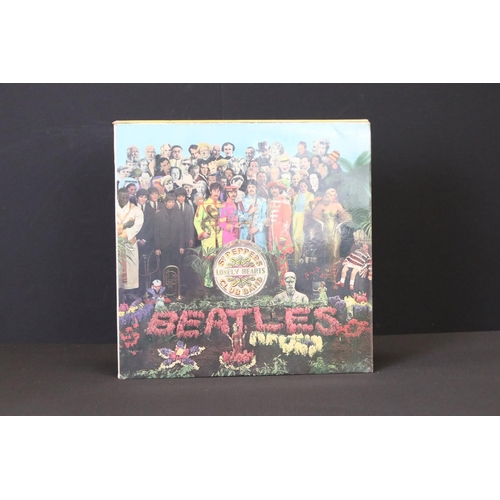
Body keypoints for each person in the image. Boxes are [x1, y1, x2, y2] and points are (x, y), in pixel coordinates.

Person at [311, 188, 350, 267]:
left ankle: (335, 269)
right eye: (331, 195)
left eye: (334, 195)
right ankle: (330, 269)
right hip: (326, 230)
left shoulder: (338, 205)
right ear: (327, 196)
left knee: (336, 249)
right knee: (329, 250)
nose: (333, 197)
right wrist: (322, 223)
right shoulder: (322, 205)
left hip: (335, 229)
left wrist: (340, 225)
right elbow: (314, 215)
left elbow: (346, 217)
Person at [193, 183, 223, 286]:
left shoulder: (222, 205)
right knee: (208, 260)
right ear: (210, 191)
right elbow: (197, 221)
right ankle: (208, 285)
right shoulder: (203, 204)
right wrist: (202, 233)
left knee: (220, 259)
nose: (216, 193)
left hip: (220, 236)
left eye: (218, 191)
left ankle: (220, 283)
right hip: (208, 236)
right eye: (214, 190)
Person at [117, 188, 144, 298]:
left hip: (129, 243)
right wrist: (124, 226)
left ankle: (130, 293)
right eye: (122, 197)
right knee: (118, 270)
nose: (124, 199)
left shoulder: (136, 210)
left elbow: (137, 226)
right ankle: (119, 293)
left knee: (131, 269)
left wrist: (123, 235)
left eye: (126, 197)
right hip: (117, 245)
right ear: (118, 196)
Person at [265, 180, 293, 284]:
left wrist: (283, 236)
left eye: (276, 188)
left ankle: (284, 282)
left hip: (281, 233)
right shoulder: (270, 201)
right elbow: (269, 217)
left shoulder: (284, 201)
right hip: (272, 234)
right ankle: (277, 282)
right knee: (274, 258)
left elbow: (287, 220)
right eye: (272, 188)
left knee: (282, 258)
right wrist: (267, 221)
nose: (274, 190)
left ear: (280, 189)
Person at [153, 193, 187, 274]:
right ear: (165, 202)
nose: (171, 204)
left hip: (176, 245)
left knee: (177, 267)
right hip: (164, 246)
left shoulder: (179, 213)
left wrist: (181, 246)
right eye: (169, 202)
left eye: (173, 202)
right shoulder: (159, 214)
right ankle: (165, 282)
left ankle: (176, 282)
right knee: (164, 267)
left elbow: (182, 231)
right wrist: (157, 247)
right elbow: (156, 232)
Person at [292, 179, 315, 266]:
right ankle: (295, 261)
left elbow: (311, 208)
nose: (303, 188)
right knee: (295, 238)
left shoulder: (310, 195)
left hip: (304, 218)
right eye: (301, 186)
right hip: (296, 218)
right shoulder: (297, 196)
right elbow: (294, 207)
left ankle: (301, 262)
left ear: (308, 186)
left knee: (301, 239)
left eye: (305, 186)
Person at [239, 180, 267, 249]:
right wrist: (249, 213)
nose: (251, 189)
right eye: (249, 187)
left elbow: (264, 216)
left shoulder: (262, 200)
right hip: (246, 231)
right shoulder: (242, 201)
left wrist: (257, 228)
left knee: (260, 251)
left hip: (259, 232)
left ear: (256, 188)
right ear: (247, 188)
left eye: (253, 187)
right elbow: (240, 217)